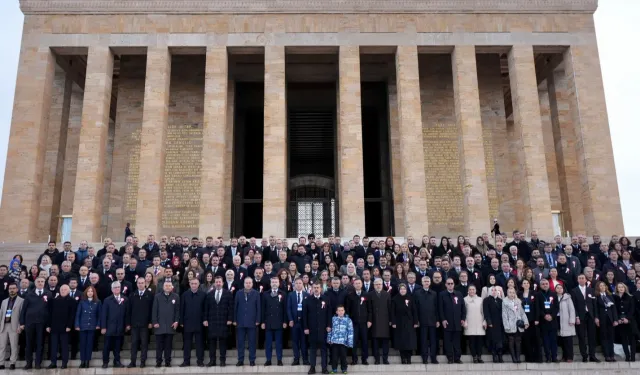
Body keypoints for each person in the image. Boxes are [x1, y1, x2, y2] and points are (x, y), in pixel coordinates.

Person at [19, 277, 52, 369]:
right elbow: (24, 309)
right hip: (30, 323)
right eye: (38, 281)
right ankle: (28, 363)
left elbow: (50, 310)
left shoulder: (48, 294)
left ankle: (38, 363)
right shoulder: (29, 294)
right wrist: (22, 322)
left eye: (42, 281)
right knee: (29, 344)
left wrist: (49, 324)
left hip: (42, 323)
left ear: (45, 283)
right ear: (35, 283)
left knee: (40, 344)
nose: (40, 283)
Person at [204, 276, 234, 367]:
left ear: (222, 283)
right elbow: (206, 308)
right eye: (216, 282)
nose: (218, 283)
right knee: (212, 342)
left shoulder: (228, 294)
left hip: (223, 321)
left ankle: (222, 360)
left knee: (223, 342)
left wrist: (230, 319)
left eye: (219, 282)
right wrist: (205, 319)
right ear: (214, 283)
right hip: (212, 321)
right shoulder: (209, 294)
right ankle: (212, 360)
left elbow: (231, 308)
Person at [303, 282, 332, 374]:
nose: (316, 289)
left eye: (318, 287)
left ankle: (324, 368)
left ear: (321, 289)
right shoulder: (307, 300)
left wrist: (329, 325)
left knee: (324, 349)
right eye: (314, 287)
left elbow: (329, 314)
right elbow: (304, 315)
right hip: (312, 329)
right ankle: (312, 367)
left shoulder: (326, 299)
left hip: (323, 328)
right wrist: (306, 327)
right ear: (312, 288)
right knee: (313, 349)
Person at [100, 281, 129, 368]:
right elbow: (104, 314)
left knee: (118, 347)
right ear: (112, 289)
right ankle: (105, 362)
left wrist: (127, 324)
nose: (117, 289)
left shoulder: (125, 299)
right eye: (115, 287)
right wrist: (103, 327)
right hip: (109, 327)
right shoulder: (107, 300)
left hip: (120, 327)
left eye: (118, 287)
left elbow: (127, 313)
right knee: (107, 346)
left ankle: (117, 361)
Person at [571, 274, 599, 362]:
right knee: (581, 337)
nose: (581, 280)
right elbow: (573, 305)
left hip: (590, 315)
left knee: (592, 337)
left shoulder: (591, 290)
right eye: (580, 278)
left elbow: (595, 305)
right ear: (577, 280)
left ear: (586, 280)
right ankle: (584, 355)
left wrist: (596, 317)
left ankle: (592, 355)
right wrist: (576, 316)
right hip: (580, 316)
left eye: (583, 278)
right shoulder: (574, 290)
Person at [46, 284, 75, 369]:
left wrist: (69, 326)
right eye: (62, 289)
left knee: (64, 346)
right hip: (54, 327)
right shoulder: (53, 300)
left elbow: (72, 315)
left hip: (65, 327)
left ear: (69, 291)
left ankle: (64, 363)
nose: (63, 291)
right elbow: (49, 314)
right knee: (53, 345)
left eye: (65, 289)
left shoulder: (72, 300)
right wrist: (48, 325)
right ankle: (53, 363)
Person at [126, 277, 153, 368]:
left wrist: (150, 322)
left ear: (145, 283)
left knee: (144, 344)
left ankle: (142, 361)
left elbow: (152, 310)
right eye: (139, 283)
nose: (140, 284)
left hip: (145, 324)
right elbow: (128, 310)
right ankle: (132, 362)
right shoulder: (132, 295)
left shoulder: (150, 294)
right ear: (137, 284)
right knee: (134, 343)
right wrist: (128, 323)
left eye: (142, 283)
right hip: (134, 324)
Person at [152, 280, 180, 367]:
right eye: (166, 286)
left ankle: (168, 361)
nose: (167, 287)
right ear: (163, 287)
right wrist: (155, 322)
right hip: (159, 325)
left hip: (170, 325)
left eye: (169, 286)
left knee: (168, 345)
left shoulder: (176, 296)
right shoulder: (157, 296)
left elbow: (177, 310)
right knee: (159, 346)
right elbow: (154, 310)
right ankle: (158, 361)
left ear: (172, 287)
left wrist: (176, 321)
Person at [438, 277, 466, 364]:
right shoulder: (442, 294)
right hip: (447, 322)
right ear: (446, 285)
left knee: (457, 341)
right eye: (448, 283)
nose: (450, 285)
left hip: (457, 322)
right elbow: (440, 309)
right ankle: (450, 358)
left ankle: (457, 358)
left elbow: (463, 308)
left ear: (454, 284)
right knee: (447, 341)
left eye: (452, 283)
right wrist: (443, 319)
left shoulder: (459, 294)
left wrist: (463, 318)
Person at [234, 277, 260, 366]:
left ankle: (252, 360)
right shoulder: (238, 293)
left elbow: (258, 308)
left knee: (252, 342)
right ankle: (240, 360)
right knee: (240, 342)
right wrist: (234, 320)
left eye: (249, 283)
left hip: (252, 322)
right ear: (244, 283)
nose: (248, 284)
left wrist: (258, 319)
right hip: (240, 322)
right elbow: (235, 307)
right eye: (246, 283)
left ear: (252, 284)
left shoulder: (256, 294)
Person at [261, 276, 287, 366]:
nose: (274, 283)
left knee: (279, 343)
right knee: (268, 344)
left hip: (279, 322)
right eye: (273, 282)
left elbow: (285, 309)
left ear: (279, 283)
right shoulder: (265, 294)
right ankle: (268, 360)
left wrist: (285, 321)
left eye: (276, 282)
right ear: (270, 283)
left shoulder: (283, 294)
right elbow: (263, 309)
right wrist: (263, 322)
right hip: (268, 322)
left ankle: (279, 359)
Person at [344, 278, 370, 365]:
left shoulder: (366, 295)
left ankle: (364, 359)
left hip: (364, 322)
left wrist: (369, 320)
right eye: (356, 283)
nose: (358, 285)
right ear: (354, 285)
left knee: (364, 341)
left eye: (359, 283)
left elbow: (370, 309)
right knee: (353, 342)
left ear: (361, 284)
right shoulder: (350, 295)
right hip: (353, 323)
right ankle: (354, 359)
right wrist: (349, 321)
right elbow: (347, 309)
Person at [180, 278, 206, 367]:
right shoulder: (185, 295)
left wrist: (204, 320)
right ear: (189, 284)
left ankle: (200, 361)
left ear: (198, 284)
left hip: (199, 323)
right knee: (187, 343)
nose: (194, 285)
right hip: (187, 323)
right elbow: (182, 309)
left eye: (195, 283)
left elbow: (205, 309)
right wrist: (181, 321)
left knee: (199, 343)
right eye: (192, 283)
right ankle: (186, 361)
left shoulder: (203, 295)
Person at [390, 284, 418, 364]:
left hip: (409, 322)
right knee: (401, 341)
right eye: (401, 289)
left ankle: (409, 358)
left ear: (406, 290)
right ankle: (403, 358)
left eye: (404, 289)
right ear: (399, 290)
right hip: (399, 323)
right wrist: (393, 322)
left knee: (410, 341)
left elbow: (414, 310)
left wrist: (416, 321)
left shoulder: (410, 298)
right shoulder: (395, 299)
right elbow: (393, 312)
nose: (403, 290)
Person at [414, 275, 439, 364]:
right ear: (422, 283)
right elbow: (415, 308)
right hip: (422, 321)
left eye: (428, 281)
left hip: (432, 320)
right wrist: (416, 320)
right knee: (423, 340)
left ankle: (433, 357)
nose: (426, 283)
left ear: (430, 283)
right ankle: (424, 357)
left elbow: (436, 308)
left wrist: (437, 320)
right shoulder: (417, 293)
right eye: (424, 281)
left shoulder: (434, 293)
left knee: (433, 340)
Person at [75, 285, 101, 369]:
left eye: (91, 291)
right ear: (86, 292)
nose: (90, 293)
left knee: (89, 344)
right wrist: (77, 325)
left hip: (92, 326)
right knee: (82, 344)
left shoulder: (97, 302)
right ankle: (82, 361)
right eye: (88, 291)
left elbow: (99, 315)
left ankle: (87, 361)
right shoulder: (82, 302)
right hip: (83, 326)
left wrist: (98, 324)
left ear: (94, 293)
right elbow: (78, 314)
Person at [502, 287, 529, 363]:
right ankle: (513, 358)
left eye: (513, 292)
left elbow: (522, 313)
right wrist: (506, 326)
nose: (512, 294)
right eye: (510, 292)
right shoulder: (504, 302)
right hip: (510, 324)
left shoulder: (518, 301)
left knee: (518, 341)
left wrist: (526, 322)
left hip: (518, 324)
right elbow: (504, 315)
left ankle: (518, 357)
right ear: (507, 293)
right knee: (511, 341)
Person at [0, 283, 23, 370]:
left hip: (14, 326)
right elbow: (1, 314)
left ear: (17, 289)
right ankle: (1, 363)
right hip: (3, 326)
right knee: (2, 346)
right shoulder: (4, 301)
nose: (12, 290)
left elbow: (21, 315)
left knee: (14, 345)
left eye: (13, 288)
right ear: (8, 290)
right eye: (10, 289)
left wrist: (20, 326)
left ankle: (12, 362)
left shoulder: (21, 301)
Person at [368, 279, 391, 365]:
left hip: (385, 321)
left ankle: (385, 359)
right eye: (376, 284)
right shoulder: (370, 295)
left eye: (380, 284)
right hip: (374, 321)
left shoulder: (387, 294)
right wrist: (369, 320)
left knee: (385, 342)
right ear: (373, 285)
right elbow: (369, 309)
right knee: (375, 342)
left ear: (382, 285)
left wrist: (391, 320)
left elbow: (390, 309)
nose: (378, 286)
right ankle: (377, 359)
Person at [594, 281, 618, 362]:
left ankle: (612, 355)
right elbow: (596, 308)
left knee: (611, 337)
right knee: (604, 337)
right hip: (602, 318)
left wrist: (615, 319)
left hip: (610, 318)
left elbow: (614, 309)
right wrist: (596, 318)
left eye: (604, 285)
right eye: (601, 286)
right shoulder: (597, 297)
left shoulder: (610, 296)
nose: (603, 287)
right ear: (598, 287)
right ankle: (606, 355)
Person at [287, 278, 309, 366]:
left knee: (304, 342)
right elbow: (288, 308)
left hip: (304, 323)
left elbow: (308, 310)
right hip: (294, 322)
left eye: (300, 283)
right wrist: (290, 319)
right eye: (297, 283)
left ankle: (305, 359)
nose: (298, 285)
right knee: (295, 342)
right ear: (294, 285)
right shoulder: (291, 295)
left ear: (302, 284)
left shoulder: (306, 294)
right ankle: (296, 359)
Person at [536, 279, 559, 363]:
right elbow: (538, 308)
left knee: (553, 340)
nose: (545, 285)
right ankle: (548, 357)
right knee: (545, 341)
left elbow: (556, 307)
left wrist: (552, 316)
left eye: (546, 284)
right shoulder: (538, 294)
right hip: (543, 321)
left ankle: (554, 357)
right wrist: (544, 315)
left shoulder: (553, 294)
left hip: (553, 321)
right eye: (543, 284)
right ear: (540, 285)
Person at [613, 282, 636, 361]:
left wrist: (627, 318)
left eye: (622, 287)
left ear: (625, 288)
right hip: (620, 322)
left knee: (632, 339)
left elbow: (632, 309)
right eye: (619, 287)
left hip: (629, 322)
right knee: (624, 339)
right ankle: (627, 356)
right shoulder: (614, 298)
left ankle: (632, 356)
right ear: (617, 289)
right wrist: (618, 319)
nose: (621, 288)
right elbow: (614, 310)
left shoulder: (630, 297)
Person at [327, 305, 353, 374]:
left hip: (343, 342)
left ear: (344, 311)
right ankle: (334, 369)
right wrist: (329, 339)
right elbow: (330, 330)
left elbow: (350, 332)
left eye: (342, 310)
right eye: (339, 310)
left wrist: (350, 342)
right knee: (334, 356)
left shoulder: (348, 320)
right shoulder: (333, 319)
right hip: (334, 342)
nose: (341, 312)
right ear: (336, 312)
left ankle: (344, 369)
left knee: (343, 356)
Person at [463, 285, 485, 364]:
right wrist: (464, 322)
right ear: (468, 291)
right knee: (472, 341)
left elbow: (483, 312)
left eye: (473, 289)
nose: (472, 291)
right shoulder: (465, 299)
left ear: (475, 290)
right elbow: (463, 312)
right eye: (470, 289)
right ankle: (474, 357)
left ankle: (479, 356)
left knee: (479, 341)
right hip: (470, 322)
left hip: (479, 322)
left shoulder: (480, 299)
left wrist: (484, 321)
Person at [483, 286, 504, 362]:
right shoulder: (486, 300)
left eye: (495, 290)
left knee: (500, 340)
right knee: (492, 339)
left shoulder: (500, 300)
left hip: (499, 323)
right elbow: (486, 312)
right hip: (492, 323)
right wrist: (489, 322)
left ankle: (500, 354)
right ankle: (494, 355)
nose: (494, 291)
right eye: (492, 290)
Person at [555, 284, 576, 362]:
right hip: (557, 320)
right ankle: (564, 356)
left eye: (561, 288)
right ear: (555, 289)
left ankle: (570, 357)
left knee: (568, 340)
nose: (559, 289)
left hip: (566, 321)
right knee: (561, 340)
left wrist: (572, 320)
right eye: (558, 288)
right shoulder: (553, 297)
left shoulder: (567, 298)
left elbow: (572, 309)